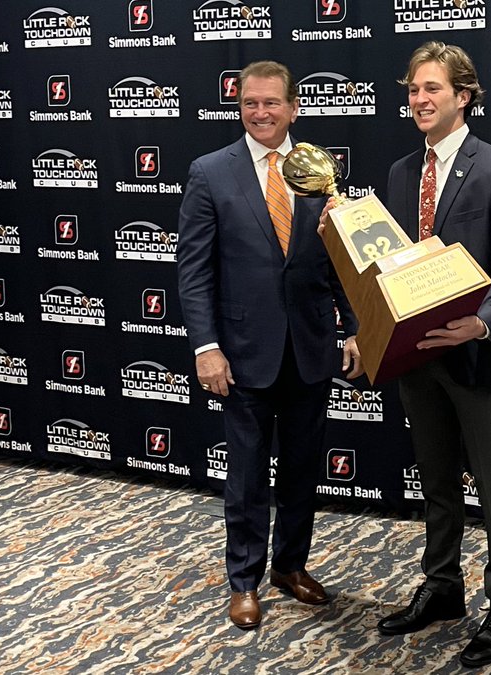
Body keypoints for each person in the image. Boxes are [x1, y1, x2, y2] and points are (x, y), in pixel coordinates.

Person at [177, 60, 361, 630]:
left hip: (309, 349)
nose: (260, 112)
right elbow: (195, 270)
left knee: (303, 470)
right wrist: (206, 346)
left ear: (294, 107)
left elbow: (338, 262)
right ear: (240, 107)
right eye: (250, 103)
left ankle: (290, 567)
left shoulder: (318, 170)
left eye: (272, 103)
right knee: (248, 474)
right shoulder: (210, 172)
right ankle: (244, 581)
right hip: (242, 353)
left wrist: (354, 326)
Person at [381, 42, 491, 667]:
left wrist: (481, 322)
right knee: (436, 480)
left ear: (463, 95)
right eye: (413, 89)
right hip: (416, 357)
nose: (419, 100)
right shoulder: (397, 174)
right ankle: (443, 586)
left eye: (432, 89)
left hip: (475, 355)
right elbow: (390, 266)